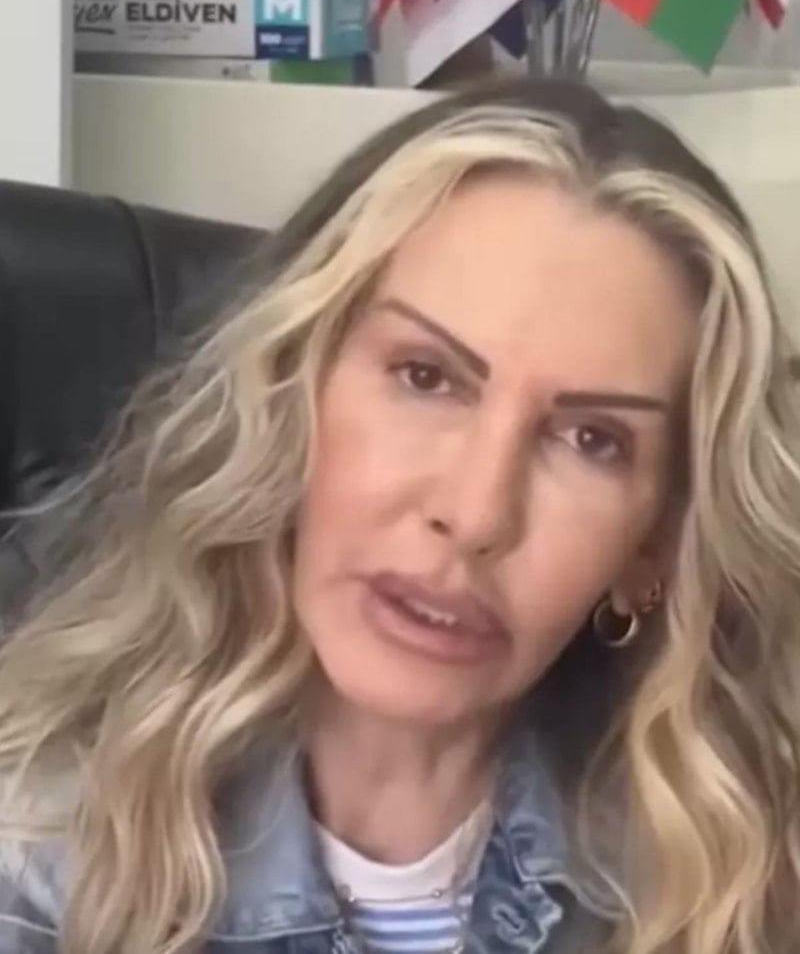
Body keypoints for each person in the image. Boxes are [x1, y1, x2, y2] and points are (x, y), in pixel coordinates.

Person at [0, 78, 798, 954]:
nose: (475, 512)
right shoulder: (37, 843)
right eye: (426, 376)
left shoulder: (725, 879)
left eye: (591, 439)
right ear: (289, 387)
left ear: (654, 545)